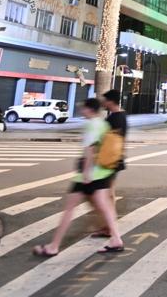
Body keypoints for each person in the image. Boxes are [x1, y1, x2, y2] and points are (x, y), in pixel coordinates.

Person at [33, 98, 122, 256]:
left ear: (89, 109)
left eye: (83, 108)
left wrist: (86, 173)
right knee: (105, 207)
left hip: (88, 175)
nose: (82, 111)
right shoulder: (103, 123)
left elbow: (90, 149)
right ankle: (116, 239)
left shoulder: (92, 125)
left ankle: (54, 246)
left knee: (69, 210)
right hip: (103, 172)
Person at [91, 90, 127, 238]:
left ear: (111, 101)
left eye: (105, 100)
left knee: (105, 194)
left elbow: (105, 138)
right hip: (115, 159)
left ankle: (108, 226)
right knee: (109, 193)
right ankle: (109, 224)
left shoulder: (115, 118)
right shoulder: (121, 116)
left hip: (109, 160)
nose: (104, 103)